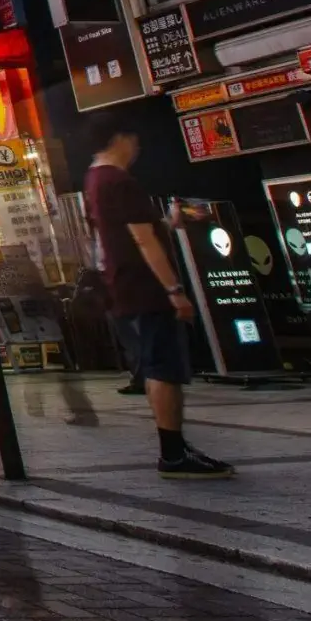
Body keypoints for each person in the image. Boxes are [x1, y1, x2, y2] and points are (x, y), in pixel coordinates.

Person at [83, 112, 231, 478]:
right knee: (164, 368)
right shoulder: (118, 181)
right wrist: (174, 290)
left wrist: (167, 223)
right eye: (133, 141)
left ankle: (175, 446)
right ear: (121, 139)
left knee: (156, 366)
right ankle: (173, 453)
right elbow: (143, 240)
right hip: (145, 288)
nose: (136, 148)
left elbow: (133, 233)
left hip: (123, 286)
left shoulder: (94, 180)